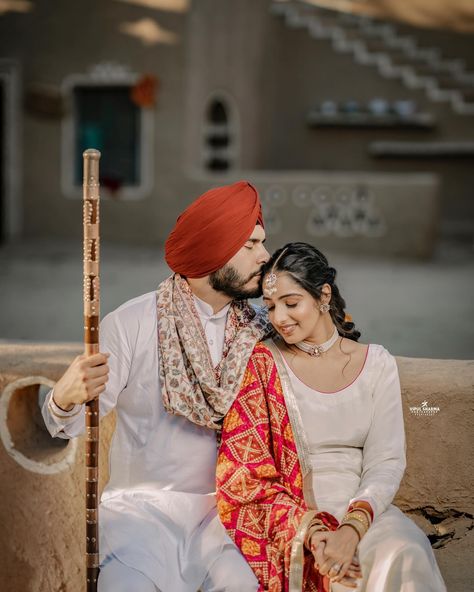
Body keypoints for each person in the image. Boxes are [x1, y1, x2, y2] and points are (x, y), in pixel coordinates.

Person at [42, 181, 271, 592]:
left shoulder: (262, 331)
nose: (265, 257)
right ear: (215, 248)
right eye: (251, 244)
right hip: (139, 519)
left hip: (228, 522)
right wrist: (63, 397)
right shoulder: (131, 323)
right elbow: (71, 423)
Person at [216, 242, 447, 592]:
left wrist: (352, 529)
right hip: (299, 522)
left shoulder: (376, 363)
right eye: (271, 306)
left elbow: (386, 460)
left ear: (323, 295)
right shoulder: (263, 364)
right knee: (338, 576)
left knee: (405, 553)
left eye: (291, 303)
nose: (279, 318)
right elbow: (244, 474)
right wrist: (316, 533)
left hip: (367, 513)